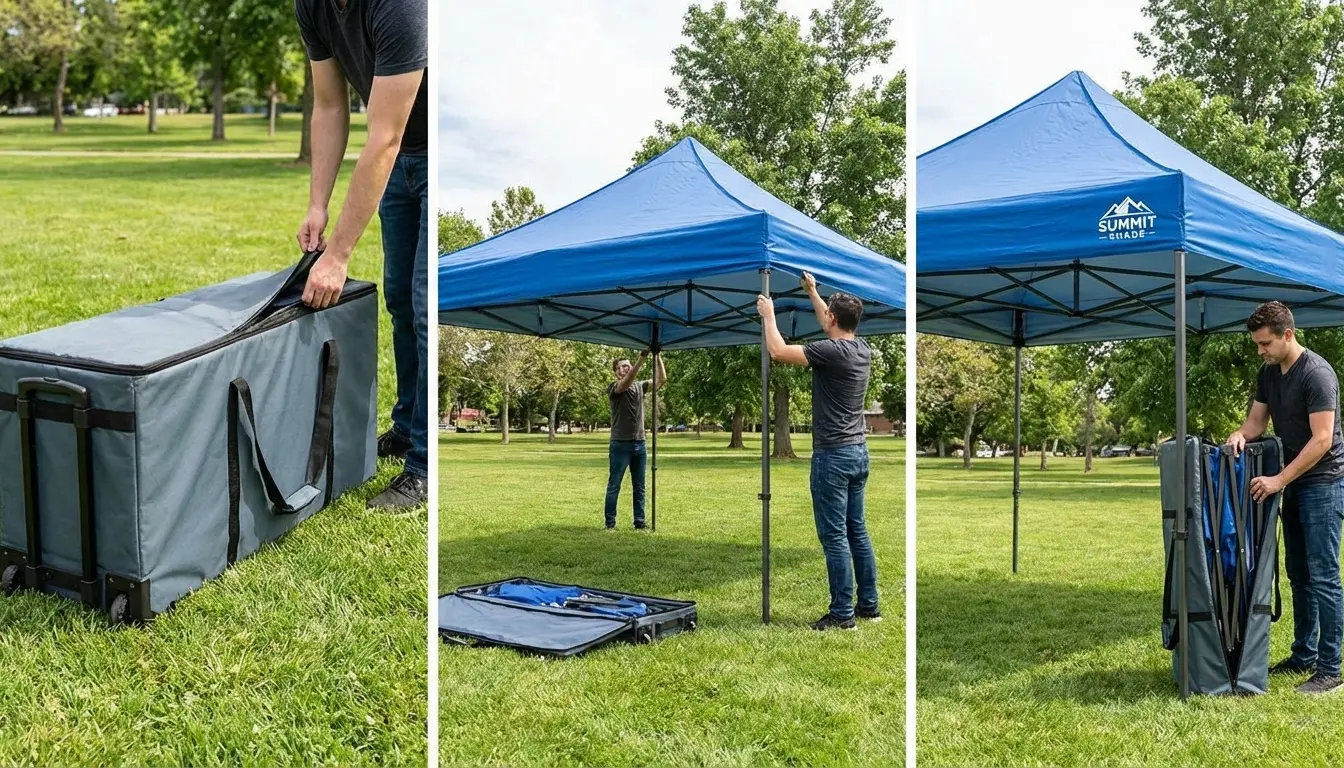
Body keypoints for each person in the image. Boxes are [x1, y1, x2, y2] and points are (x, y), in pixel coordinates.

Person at [294, 0, 429, 509]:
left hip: (427, 150)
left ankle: (423, 466)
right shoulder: (312, 6)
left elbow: (385, 136)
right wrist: (317, 205)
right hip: (400, 158)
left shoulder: (401, 7)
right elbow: (330, 105)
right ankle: (406, 428)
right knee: (400, 299)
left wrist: (339, 255)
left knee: (422, 300)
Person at [1227, 301, 1344, 694]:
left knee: (1324, 576)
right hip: (1292, 482)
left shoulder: (1318, 374)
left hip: (1323, 482)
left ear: (1287, 335)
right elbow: (1256, 422)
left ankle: (1331, 668)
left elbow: (1322, 440)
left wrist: (1277, 480)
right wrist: (1241, 435)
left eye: (1265, 343)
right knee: (1299, 574)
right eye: (1257, 344)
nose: (1260, 351)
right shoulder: (1268, 373)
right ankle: (1304, 654)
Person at [757, 272, 878, 631]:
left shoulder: (830, 352)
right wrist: (813, 291)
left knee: (835, 536)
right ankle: (868, 606)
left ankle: (842, 614)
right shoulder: (861, 348)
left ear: (833, 320)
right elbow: (829, 319)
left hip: (834, 456)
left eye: (827, 314)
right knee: (857, 530)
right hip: (858, 452)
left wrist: (769, 315)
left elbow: (777, 351)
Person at [605, 352, 667, 530]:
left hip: (640, 443)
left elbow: (661, 379)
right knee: (614, 485)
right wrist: (641, 359)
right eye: (620, 367)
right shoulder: (614, 387)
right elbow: (626, 382)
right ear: (616, 373)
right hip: (620, 444)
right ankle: (610, 523)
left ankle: (639, 523)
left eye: (626, 365)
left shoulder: (640, 387)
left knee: (639, 486)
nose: (624, 368)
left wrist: (657, 356)